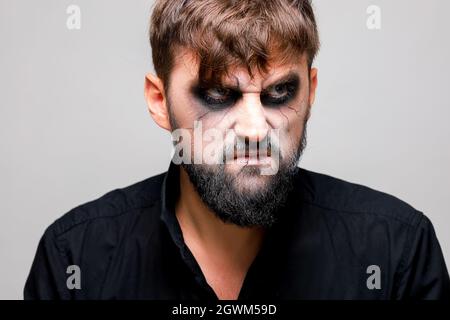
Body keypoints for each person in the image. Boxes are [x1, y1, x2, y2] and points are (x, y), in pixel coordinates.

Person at [24, 0, 450, 300]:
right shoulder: (74, 259)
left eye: (280, 92)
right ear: (159, 101)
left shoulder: (397, 251)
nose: (253, 129)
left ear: (311, 91)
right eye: (216, 94)